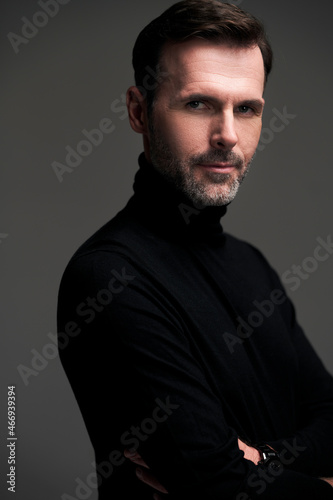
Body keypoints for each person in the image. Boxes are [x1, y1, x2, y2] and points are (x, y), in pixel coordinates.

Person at [57, 1, 333, 498]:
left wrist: (264, 459)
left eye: (246, 108)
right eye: (199, 104)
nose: (228, 134)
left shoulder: (252, 265)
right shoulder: (107, 277)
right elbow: (219, 484)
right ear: (139, 111)